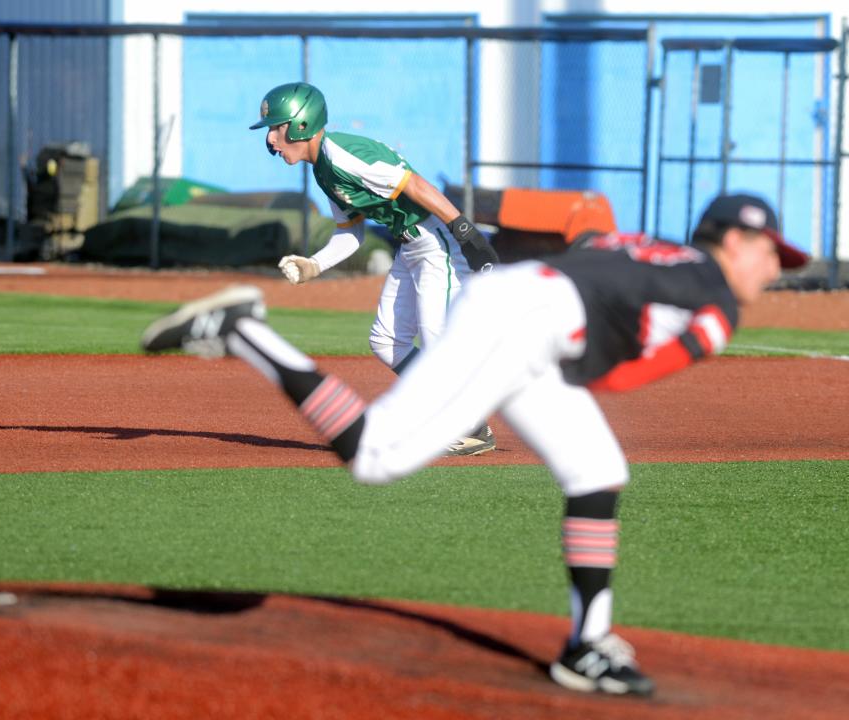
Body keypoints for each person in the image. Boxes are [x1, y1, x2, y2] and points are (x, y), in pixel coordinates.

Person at [140, 192, 808, 697]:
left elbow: (590, 254)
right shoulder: (717, 301)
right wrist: (576, 363)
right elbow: (631, 375)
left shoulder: (662, 249)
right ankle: (244, 332)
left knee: (597, 469)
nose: (777, 268)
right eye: (771, 251)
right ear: (734, 241)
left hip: (526, 307)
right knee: (374, 455)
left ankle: (588, 644)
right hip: (527, 322)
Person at [249, 81, 499, 456]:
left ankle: (472, 425)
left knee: (436, 339)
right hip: (411, 246)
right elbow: (351, 233)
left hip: (437, 243)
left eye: (277, 127)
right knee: (386, 341)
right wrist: (315, 265)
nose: (270, 139)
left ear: (301, 124)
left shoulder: (344, 155)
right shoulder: (324, 170)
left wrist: (464, 230)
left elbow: (413, 184)